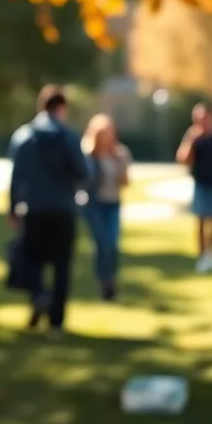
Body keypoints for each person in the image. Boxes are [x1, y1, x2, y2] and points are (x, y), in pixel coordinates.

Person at [8, 85, 88, 335]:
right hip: (63, 208)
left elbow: (15, 176)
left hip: (34, 208)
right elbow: (83, 173)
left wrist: (12, 207)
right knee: (62, 264)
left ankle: (38, 295)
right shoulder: (68, 137)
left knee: (32, 260)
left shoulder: (24, 136)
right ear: (61, 108)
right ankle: (57, 322)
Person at [177, 103, 212, 273]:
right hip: (200, 184)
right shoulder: (195, 139)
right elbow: (183, 159)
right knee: (201, 221)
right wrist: (189, 140)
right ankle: (202, 256)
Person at [81, 113, 132, 301]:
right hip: (94, 204)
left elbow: (125, 182)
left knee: (112, 244)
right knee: (101, 243)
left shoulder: (121, 153)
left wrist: (118, 164)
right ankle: (103, 281)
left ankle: (111, 278)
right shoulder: (88, 154)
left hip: (113, 204)